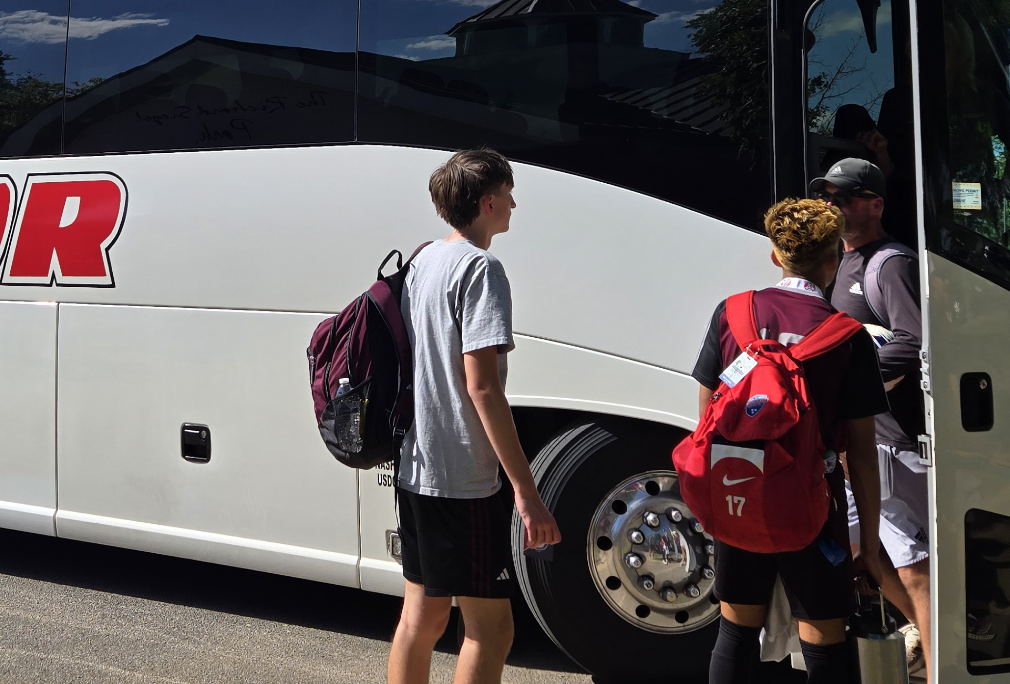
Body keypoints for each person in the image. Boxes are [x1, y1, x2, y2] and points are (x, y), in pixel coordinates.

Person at [693, 198, 887, 684]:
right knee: (824, 641)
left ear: (776, 256)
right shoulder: (848, 337)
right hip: (812, 503)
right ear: (834, 260)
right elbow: (861, 453)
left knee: (736, 632)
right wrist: (871, 543)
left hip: (741, 489)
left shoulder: (731, 314)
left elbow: (707, 418)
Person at [387, 149, 562, 684]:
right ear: (488, 203)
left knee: (421, 616)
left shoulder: (424, 260)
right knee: (491, 628)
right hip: (465, 477)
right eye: (509, 194)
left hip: (417, 464)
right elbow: (482, 387)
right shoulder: (481, 269)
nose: (514, 203)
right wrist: (527, 495)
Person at [809, 157, 931, 681]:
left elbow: (914, 342)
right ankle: (930, 639)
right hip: (860, 441)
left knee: (911, 563)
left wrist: (847, 373)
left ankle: (938, 663)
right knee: (866, 549)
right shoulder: (842, 263)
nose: (832, 204)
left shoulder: (890, 263)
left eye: (844, 197)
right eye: (828, 195)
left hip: (891, 443)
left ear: (875, 204)